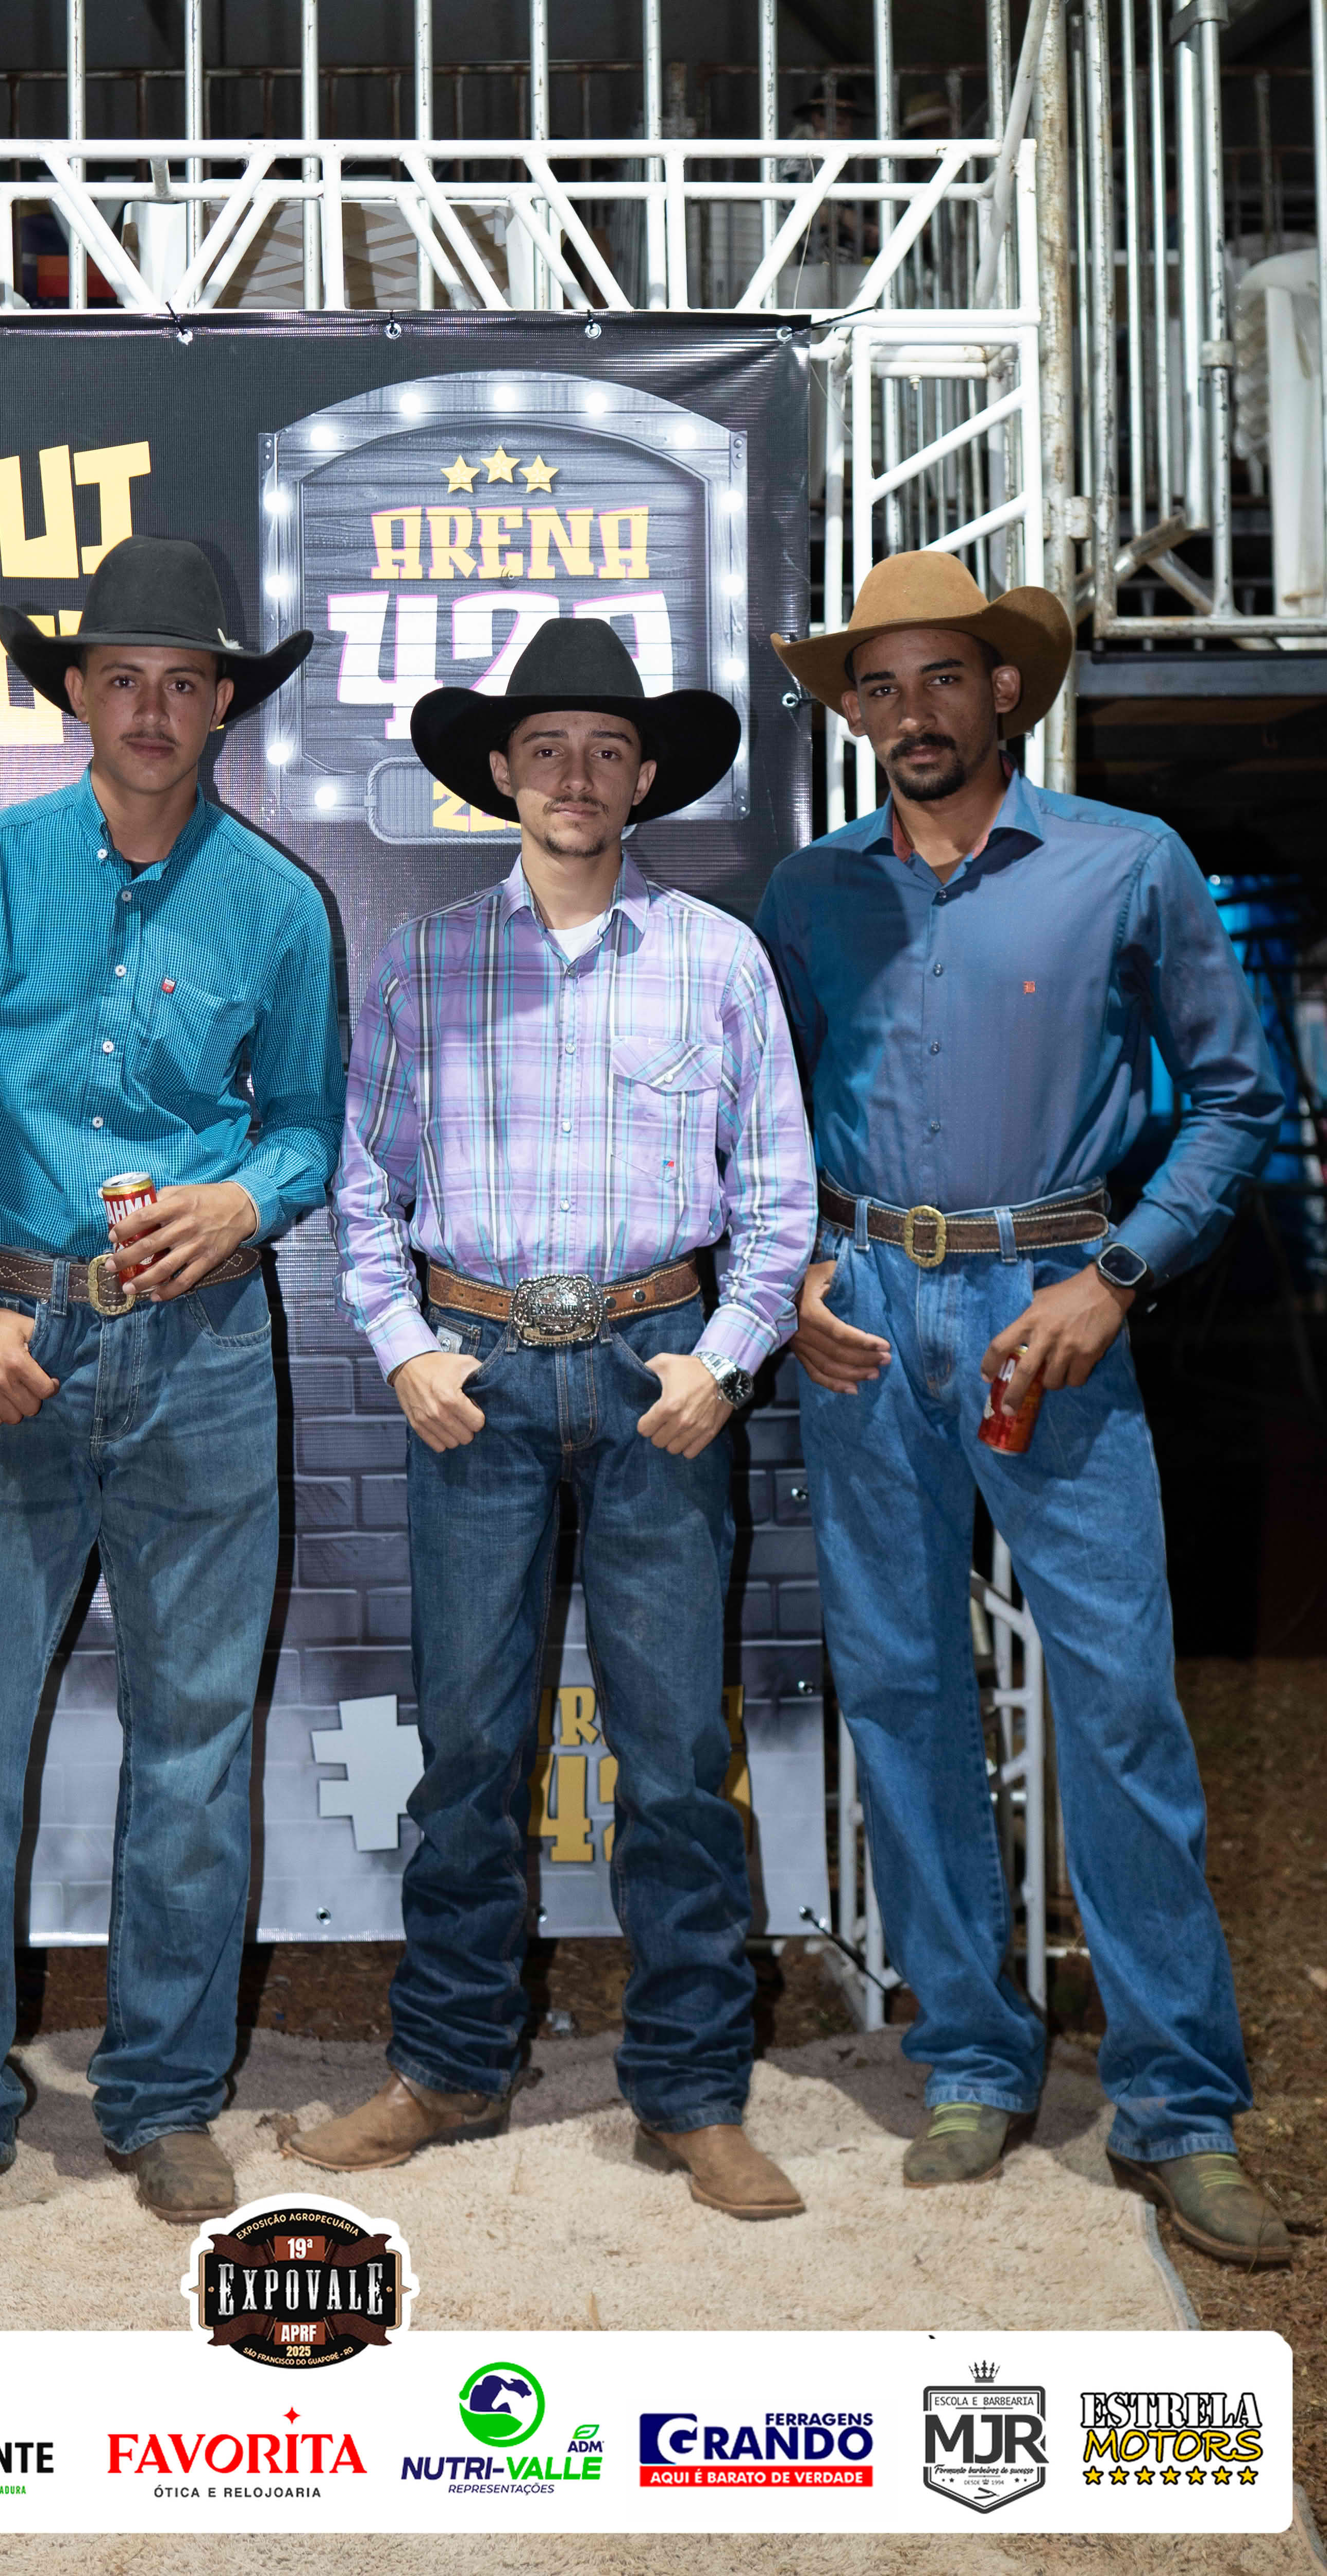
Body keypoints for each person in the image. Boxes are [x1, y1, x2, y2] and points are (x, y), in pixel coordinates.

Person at [759, 551, 1290, 2264]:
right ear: (855, 712)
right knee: (904, 1692)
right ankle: (976, 2060)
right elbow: (762, 1118)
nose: (911, 711)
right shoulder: (810, 893)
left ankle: (1179, 2106)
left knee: (1121, 1705)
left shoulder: (1127, 863)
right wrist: (796, 1273)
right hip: (862, 1319)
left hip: (1052, 1311)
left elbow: (1236, 1099)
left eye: (943, 677)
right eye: (880, 686)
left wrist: (1118, 1275)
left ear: (1005, 690)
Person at [293, 618, 816, 2221]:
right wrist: (403, 1348)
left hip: (661, 1373)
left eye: (605, 749)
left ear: (645, 778)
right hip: (479, 1375)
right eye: (545, 749)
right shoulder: (428, 963)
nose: (575, 775)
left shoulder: (717, 960)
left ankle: (692, 2091)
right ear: (500, 775)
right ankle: (450, 2066)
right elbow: (364, 1185)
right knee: (467, 1747)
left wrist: (725, 1358)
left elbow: (778, 1191)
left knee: (673, 1757)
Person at [0, 535, 342, 2233]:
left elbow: (309, 1125)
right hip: (4, 1346)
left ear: (224, 705)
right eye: (122, 678)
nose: (152, 709)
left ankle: (162, 2097)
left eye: (184, 682)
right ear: (76, 692)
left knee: (197, 1742)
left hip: (202, 1351)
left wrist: (249, 1201)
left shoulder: (279, 905)